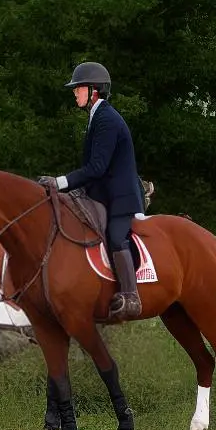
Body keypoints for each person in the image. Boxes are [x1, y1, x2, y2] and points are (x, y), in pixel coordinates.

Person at [38, 62, 144, 321]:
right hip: (100, 193)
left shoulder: (107, 119)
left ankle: (131, 296)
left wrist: (60, 183)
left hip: (120, 198)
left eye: (78, 89)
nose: (75, 93)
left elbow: (96, 167)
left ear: (94, 91)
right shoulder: (96, 116)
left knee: (116, 236)